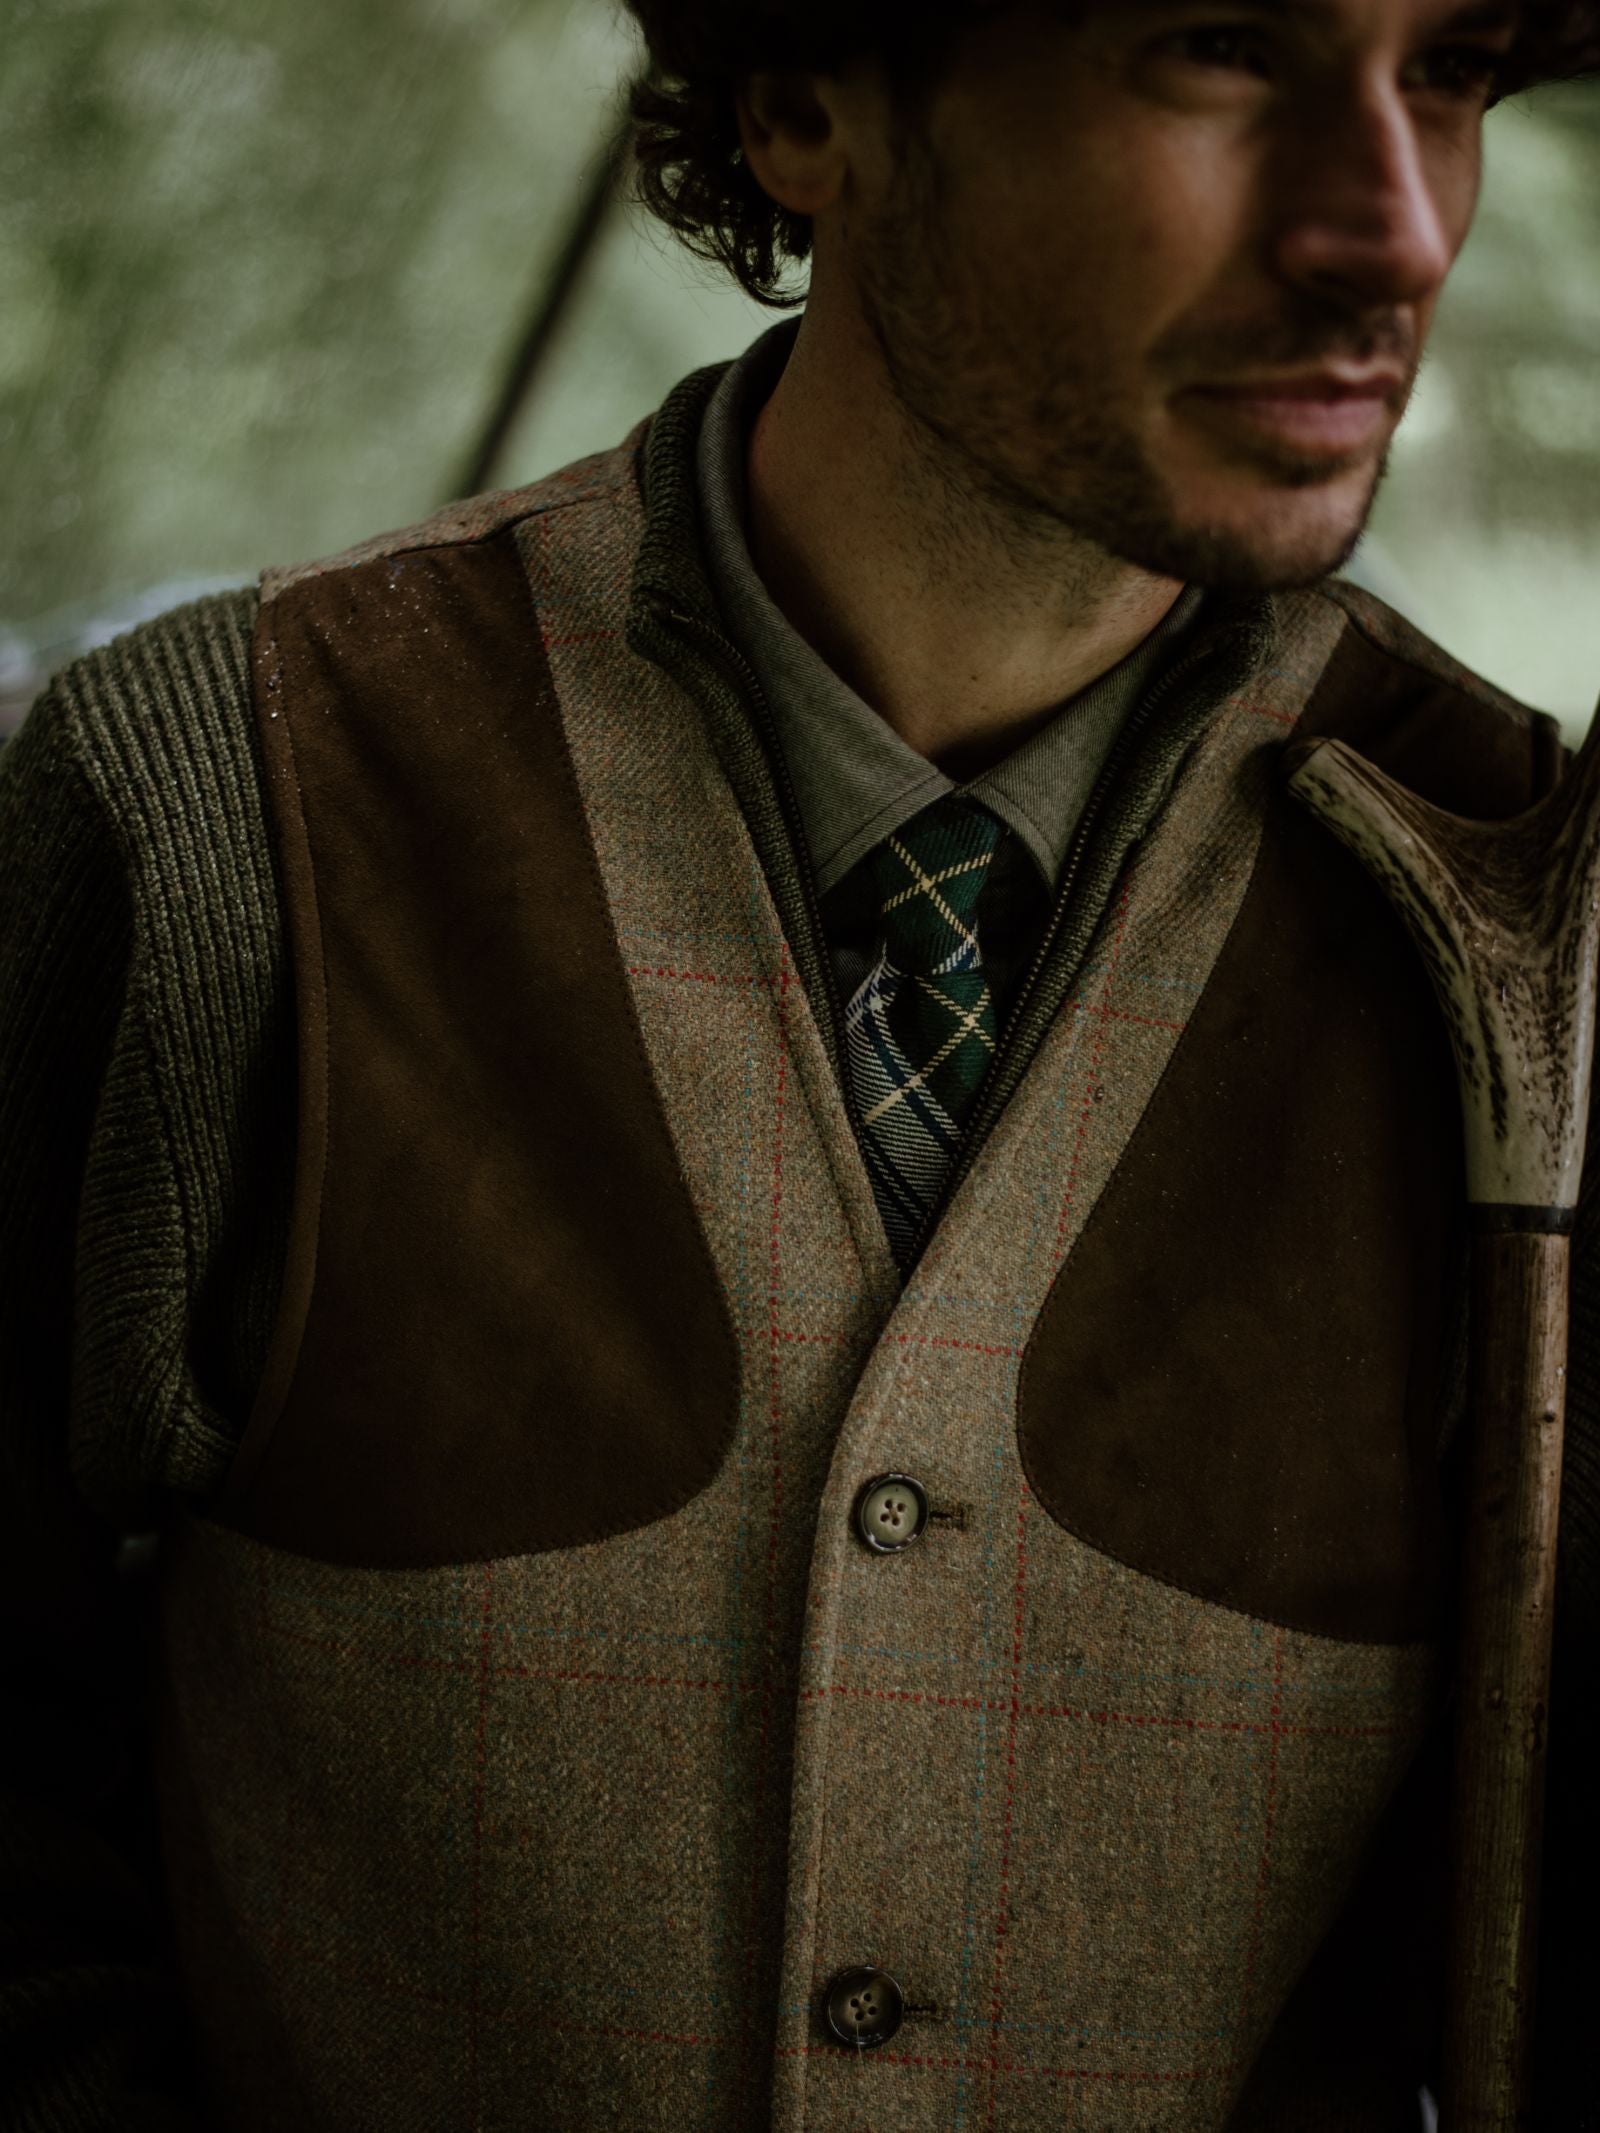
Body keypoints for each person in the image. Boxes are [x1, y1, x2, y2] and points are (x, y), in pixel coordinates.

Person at [2, 1, 1597, 2126]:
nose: (1387, 230)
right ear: (800, 102)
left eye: (1448, 72)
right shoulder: (216, 802)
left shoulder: (1532, 923)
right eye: (1222, 49)